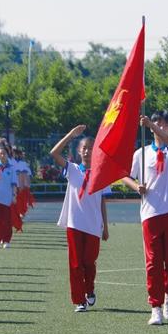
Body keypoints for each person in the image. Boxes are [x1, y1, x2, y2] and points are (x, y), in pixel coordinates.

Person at [123, 110, 168, 325]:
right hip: (150, 213)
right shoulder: (141, 153)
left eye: (166, 124)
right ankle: (156, 306)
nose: (162, 126)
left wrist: (151, 125)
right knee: (153, 263)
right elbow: (126, 176)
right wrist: (135, 186)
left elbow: (166, 139)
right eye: (159, 122)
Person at [52, 125, 110, 313]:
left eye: (91, 148)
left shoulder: (101, 173)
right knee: (75, 264)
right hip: (74, 223)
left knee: (89, 263)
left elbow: (102, 201)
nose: (87, 151)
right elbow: (54, 153)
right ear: (79, 151)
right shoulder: (73, 169)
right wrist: (70, 134)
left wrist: (105, 227)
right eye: (84, 148)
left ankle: (90, 289)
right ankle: (79, 300)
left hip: (93, 225)